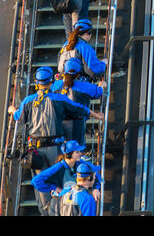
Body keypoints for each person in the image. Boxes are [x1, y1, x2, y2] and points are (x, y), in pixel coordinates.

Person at [7, 66, 104, 215]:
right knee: (61, 183)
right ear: (52, 81)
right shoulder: (58, 98)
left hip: (36, 154)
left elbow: (19, 117)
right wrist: (96, 115)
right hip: (56, 150)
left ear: (36, 83)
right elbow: (78, 108)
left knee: (43, 191)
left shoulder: (28, 101)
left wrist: (12, 110)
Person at [31, 140, 102, 215]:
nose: (81, 154)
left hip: (74, 203)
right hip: (60, 205)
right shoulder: (58, 167)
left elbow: (94, 172)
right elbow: (35, 181)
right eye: (77, 152)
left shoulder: (80, 163)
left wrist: (96, 188)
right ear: (69, 154)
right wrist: (53, 187)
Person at [52, 57, 106, 144]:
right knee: (76, 149)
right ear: (78, 74)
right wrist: (102, 85)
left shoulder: (55, 86)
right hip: (76, 124)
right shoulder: (82, 86)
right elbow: (98, 92)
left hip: (57, 122)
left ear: (64, 72)